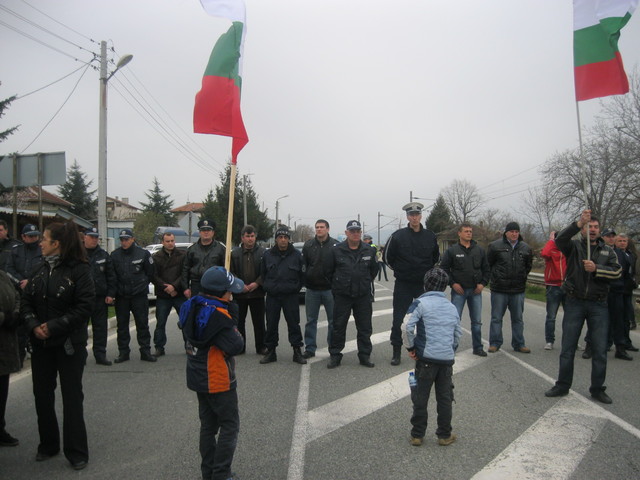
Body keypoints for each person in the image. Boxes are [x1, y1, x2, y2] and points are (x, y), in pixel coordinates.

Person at [21, 221, 94, 470]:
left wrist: (53, 326)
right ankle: (48, 444)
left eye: (44, 239)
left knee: (72, 397)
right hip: (41, 345)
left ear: (57, 244)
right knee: (42, 395)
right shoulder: (38, 268)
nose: (40, 243)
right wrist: (33, 325)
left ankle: (76, 451)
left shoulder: (80, 270)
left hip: (69, 344)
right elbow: (26, 301)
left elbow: (84, 307)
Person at [545, 210, 621, 404]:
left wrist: (597, 269)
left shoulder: (608, 251)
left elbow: (617, 272)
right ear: (583, 230)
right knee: (568, 347)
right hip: (575, 301)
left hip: (598, 304)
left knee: (600, 350)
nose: (592, 230)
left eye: (595, 227)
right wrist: (578, 223)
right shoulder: (574, 246)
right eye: (589, 226)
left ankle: (597, 389)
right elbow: (560, 239)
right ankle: (562, 385)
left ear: (599, 230)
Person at [178, 266, 244, 480]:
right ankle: (221, 474)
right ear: (220, 292)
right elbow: (236, 345)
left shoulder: (193, 305)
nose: (231, 294)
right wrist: (233, 315)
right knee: (229, 425)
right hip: (216, 377)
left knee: (208, 426)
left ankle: (209, 472)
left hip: (196, 374)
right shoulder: (219, 315)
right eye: (229, 290)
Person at [403, 267, 461, 447]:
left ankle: (417, 435)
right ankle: (444, 435)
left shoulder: (420, 303)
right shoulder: (452, 307)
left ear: (425, 284)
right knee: (445, 398)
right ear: (445, 287)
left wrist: (411, 347)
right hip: (446, 360)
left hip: (426, 359)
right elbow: (457, 334)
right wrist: (450, 350)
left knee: (420, 397)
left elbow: (407, 327)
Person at [383, 202, 439, 366]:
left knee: (426, 318)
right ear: (407, 217)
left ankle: (424, 350)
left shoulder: (430, 236)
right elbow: (387, 258)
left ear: (421, 216)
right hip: (404, 284)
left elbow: (435, 258)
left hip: (423, 285)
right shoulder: (398, 236)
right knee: (398, 319)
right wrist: (400, 270)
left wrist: (427, 274)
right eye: (411, 215)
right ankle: (396, 352)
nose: (414, 218)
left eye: (417, 214)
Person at [327, 220, 379, 369]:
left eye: (358, 231)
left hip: (362, 296)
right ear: (346, 233)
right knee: (338, 327)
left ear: (361, 233)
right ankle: (335, 355)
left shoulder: (369, 250)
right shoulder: (336, 250)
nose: (355, 234)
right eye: (352, 231)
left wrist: (363, 281)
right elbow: (328, 271)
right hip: (343, 296)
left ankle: (364, 356)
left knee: (365, 327)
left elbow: (373, 270)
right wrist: (338, 286)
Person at [439, 223, 490, 357]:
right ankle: (452, 348)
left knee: (477, 321)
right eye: (466, 231)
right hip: (459, 291)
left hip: (475, 291)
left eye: (470, 231)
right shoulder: (452, 251)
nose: (469, 233)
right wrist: (453, 283)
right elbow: (444, 269)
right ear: (459, 233)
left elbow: (486, 269)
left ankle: (477, 347)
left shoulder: (479, 250)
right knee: (455, 320)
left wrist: (482, 284)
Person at [259, 226, 306, 365]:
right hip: (273, 296)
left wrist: (295, 288)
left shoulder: (297, 255)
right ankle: (271, 351)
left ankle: (297, 351)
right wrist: (268, 287)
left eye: (285, 237)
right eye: (280, 237)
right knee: (271, 324)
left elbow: (302, 275)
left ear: (289, 239)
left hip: (290, 296)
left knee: (294, 324)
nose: (283, 240)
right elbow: (263, 274)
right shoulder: (268, 255)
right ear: (276, 239)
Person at [110, 229, 156, 363]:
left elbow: (150, 273)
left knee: (142, 324)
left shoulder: (143, 254)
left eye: (126, 239)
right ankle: (123, 352)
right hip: (122, 296)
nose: (124, 242)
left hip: (138, 296)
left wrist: (141, 285)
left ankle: (145, 351)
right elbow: (112, 276)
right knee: (122, 326)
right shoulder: (115, 255)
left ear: (132, 239)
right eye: (122, 240)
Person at [487, 221, 533, 353]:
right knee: (496, 318)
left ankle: (519, 344)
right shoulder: (495, 246)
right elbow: (489, 264)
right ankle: (495, 343)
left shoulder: (526, 248)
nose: (514, 234)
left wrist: (521, 277)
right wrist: (494, 278)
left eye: (516, 232)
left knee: (518, 319)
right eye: (512, 231)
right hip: (499, 289)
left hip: (518, 290)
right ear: (506, 233)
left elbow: (528, 266)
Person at [6, 224, 43, 367]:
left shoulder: (42, 250)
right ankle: (19, 359)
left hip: (37, 294)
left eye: (35, 236)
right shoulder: (16, 251)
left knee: (36, 326)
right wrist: (20, 282)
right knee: (20, 329)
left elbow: (45, 270)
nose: (34, 239)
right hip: (19, 294)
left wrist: (30, 282)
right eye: (30, 236)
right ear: (23, 237)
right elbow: (9, 270)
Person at [301, 219, 339, 359]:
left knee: (333, 321)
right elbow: (303, 265)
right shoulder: (308, 245)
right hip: (312, 289)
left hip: (330, 290)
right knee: (311, 321)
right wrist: (306, 280)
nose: (319, 229)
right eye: (317, 227)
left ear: (327, 229)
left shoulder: (335, 245)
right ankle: (310, 348)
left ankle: (333, 348)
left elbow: (339, 266)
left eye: (322, 227)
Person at [229, 225, 267, 355]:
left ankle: (261, 346)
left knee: (259, 322)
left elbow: (266, 271)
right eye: (247, 236)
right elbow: (231, 272)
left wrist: (257, 283)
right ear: (242, 238)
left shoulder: (263, 253)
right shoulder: (234, 254)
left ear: (255, 237)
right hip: (240, 294)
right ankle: (240, 346)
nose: (250, 239)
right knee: (239, 322)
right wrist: (240, 285)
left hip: (257, 293)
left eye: (252, 236)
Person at [582, 227, 617, 359]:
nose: (611, 239)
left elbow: (618, 270)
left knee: (610, 320)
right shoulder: (596, 250)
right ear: (603, 237)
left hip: (615, 290)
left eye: (613, 236)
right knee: (595, 322)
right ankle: (589, 346)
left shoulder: (616, 252)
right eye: (608, 236)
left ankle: (608, 343)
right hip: (598, 291)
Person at [83, 227, 116, 366]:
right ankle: (81, 356)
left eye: (96, 237)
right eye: (91, 237)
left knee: (100, 328)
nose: (94, 239)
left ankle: (100, 355)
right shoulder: (77, 254)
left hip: (99, 298)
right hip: (82, 299)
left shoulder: (103, 255)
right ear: (84, 237)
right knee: (80, 329)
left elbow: (111, 276)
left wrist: (110, 294)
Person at [151, 232, 187, 357]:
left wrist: (174, 287)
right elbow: (154, 276)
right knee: (160, 322)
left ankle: (189, 345)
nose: (170, 243)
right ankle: (159, 347)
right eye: (167, 241)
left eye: (172, 241)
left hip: (179, 293)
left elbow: (184, 273)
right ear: (162, 242)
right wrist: (166, 287)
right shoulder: (156, 257)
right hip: (163, 295)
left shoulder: (182, 255)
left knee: (185, 321)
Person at [0, 269, 20, 447]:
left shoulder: (3, 276)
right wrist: (4, 317)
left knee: (2, 389)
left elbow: (17, 296)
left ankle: (0, 428)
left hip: (5, 344)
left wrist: (15, 314)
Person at [182, 219, 226, 299]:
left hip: (214, 286)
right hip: (196, 285)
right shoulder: (192, 249)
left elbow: (226, 269)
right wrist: (186, 288)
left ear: (213, 232)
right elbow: (185, 269)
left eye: (208, 230)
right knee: (197, 306)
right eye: (203, 230)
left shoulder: (220, 249)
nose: (206, 232)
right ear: (199, 232)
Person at [611, 234, 638, 359]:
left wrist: (633, 283)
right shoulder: (614, 254)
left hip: (627, 291)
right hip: (617, 291)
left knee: (626, 318)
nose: (622, 243)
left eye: (624, 241)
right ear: (615, 242)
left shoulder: (630, 255)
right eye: (620, 241)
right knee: (616, 319)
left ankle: (626, 342)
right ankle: (611, 343)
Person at [540, 231, 566, 351]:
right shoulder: (551, 249)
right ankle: (549, 341)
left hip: (567, 286)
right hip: (553, 286)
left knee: (571, 317)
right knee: (551, 316)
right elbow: (544, 253)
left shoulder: (568, 249)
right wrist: (551, 241)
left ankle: (570, 341)